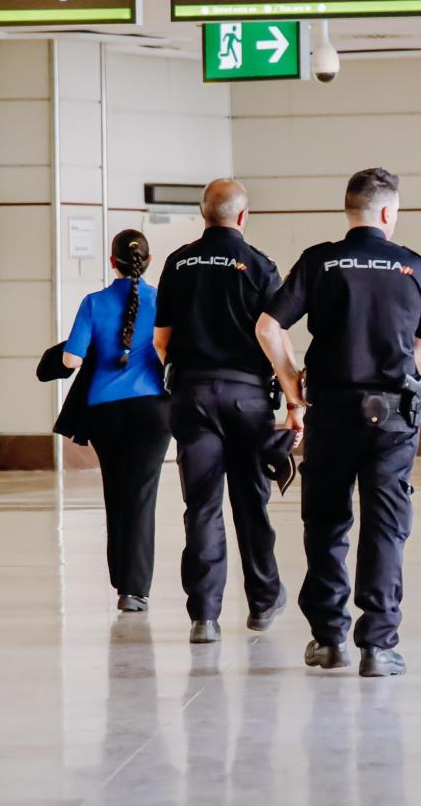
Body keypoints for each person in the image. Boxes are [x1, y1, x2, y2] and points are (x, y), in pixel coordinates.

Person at [256, 168, 421, 678]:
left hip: (331, 412)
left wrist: (292, 384)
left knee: (327, 523)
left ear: (349, 209)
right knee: (385, 526)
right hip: (393, 417)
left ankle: (329, 639)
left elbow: (269, 326)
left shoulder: (319, 260)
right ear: (386, 212)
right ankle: (378, 645)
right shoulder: (411, 265)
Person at [153, 178, 292, 645]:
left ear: (203, 214)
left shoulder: (178, 262)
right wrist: (294, 398)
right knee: (251, 502)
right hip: (247, 398)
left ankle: (205, 617)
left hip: (192, 397)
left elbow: (161, 341)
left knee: (202, 506)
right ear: (242, 216)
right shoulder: (259, 265)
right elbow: (275, 335)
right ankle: (263, 600)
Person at [63, 230, 170, 614]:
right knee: (142, 496)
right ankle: (135, 590)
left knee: (116, 492)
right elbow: (169, 351)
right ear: (149, 259)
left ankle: (120, 576)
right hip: (153, 411)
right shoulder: (162, 301)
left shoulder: (94, 303)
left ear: (112, 262)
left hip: (105, 411)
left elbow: (71, 361)